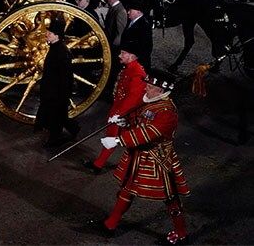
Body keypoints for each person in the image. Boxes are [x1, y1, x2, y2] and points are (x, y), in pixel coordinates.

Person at [86, 69, 190, 245]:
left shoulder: (167, 111)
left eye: (150, 87)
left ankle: (181, 234)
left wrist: (118, 140)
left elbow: (147, 133)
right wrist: (125, 122)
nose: (146, 89)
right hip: (140, 156)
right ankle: (110, 224)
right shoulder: (151, 102)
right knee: (127, 190)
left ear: (160, 90)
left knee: (170, 198)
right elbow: (139, 121)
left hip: (158, 160)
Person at [83, 39, 146, 174]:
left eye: (123, 53)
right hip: (119, 111)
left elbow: (133, 98)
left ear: (132, 56)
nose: (120, 55)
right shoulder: (130, 68)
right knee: (115, 139)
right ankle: (99, 164)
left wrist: (119, 114)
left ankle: (102, 165)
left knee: (121, 140)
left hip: (125, 114)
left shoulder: (137, 73)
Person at [34, 17, 80, 148]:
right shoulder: (55, 48)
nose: (46, 35)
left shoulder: (61, 52)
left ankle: (54, 139)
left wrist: (63, 94)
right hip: (52, 89)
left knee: (56, 115)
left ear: (57, 36)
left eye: (49, 33)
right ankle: (73, 129)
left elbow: (66, 76)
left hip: (57, 91)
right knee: (59, 115)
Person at [122, 0, 153, 71]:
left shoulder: (144, 27)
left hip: (136, 65)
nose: (128, 12)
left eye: (130, 10)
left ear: (138, 12)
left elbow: (145, 49)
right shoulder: (131, 21)